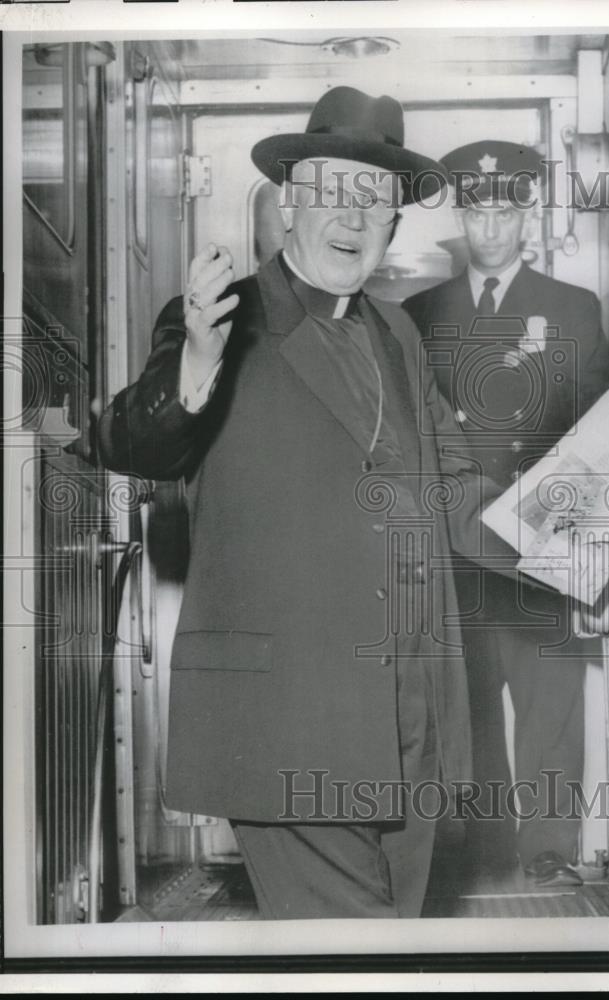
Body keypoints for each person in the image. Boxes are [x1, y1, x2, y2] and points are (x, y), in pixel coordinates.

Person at [98, 89, 552, 919]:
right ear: (289, 203)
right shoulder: (223, 321)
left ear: (393, 224)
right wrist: (195, 364)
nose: (353, 215)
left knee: (389, 958)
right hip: (289, 723)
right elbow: (130, 441)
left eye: (375, 199)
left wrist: (566, 541)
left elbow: (452, 484)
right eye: (332, 190)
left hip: (412, 724)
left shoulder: (396, 332)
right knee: (353, 960)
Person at [404, 141, 609, 887]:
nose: (488, 226)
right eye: (475, 209)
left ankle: (548, 848)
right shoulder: (417, 315)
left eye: (503, 209)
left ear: (526, 214)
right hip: (456, 542)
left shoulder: (571, 310)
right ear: (460, 216)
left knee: (548, 696)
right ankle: (483, 852)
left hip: (539, 537)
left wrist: (584, 541)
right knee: (469, 700)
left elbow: (597, 430)